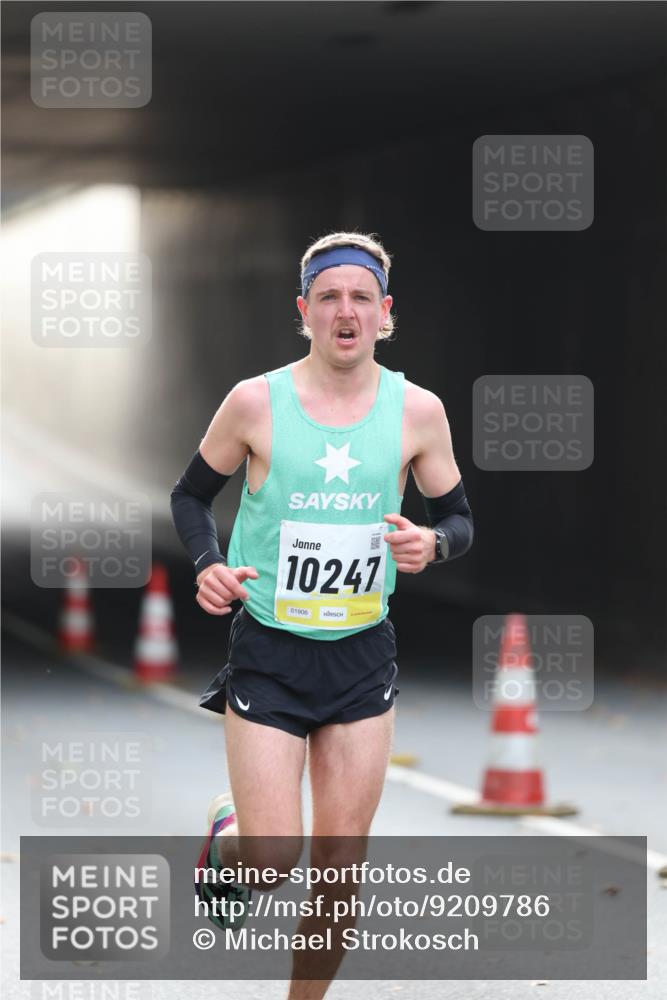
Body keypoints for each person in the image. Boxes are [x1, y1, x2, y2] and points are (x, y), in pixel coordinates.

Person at [171, 231, 473, 997]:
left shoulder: (418, 411)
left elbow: (459, 518)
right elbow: (190, 496)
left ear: (385, 314)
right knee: (272, 862)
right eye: (329, 297)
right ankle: (226, 840)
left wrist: (430, 545)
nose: (346, 311)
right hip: (271, 646)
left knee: (340, 866)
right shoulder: (253, 402)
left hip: (360, 653)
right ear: (304, 311)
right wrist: (208, 564)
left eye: (361, 298)